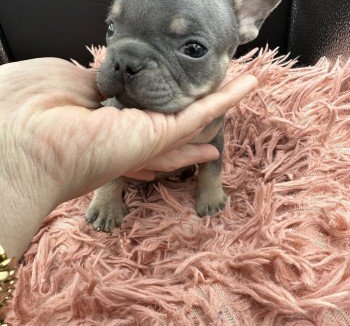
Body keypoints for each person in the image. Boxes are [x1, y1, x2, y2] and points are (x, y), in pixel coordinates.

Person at [0, 57, 257, 260]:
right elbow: (101, 138)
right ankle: (109, 193)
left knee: (210, 137)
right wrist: (23, 150)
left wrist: (211, 186)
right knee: (108, 136)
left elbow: (214, 142)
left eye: (191, 49)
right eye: (113, 28)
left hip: (184, 158)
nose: (132, 62)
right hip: (126, 160)